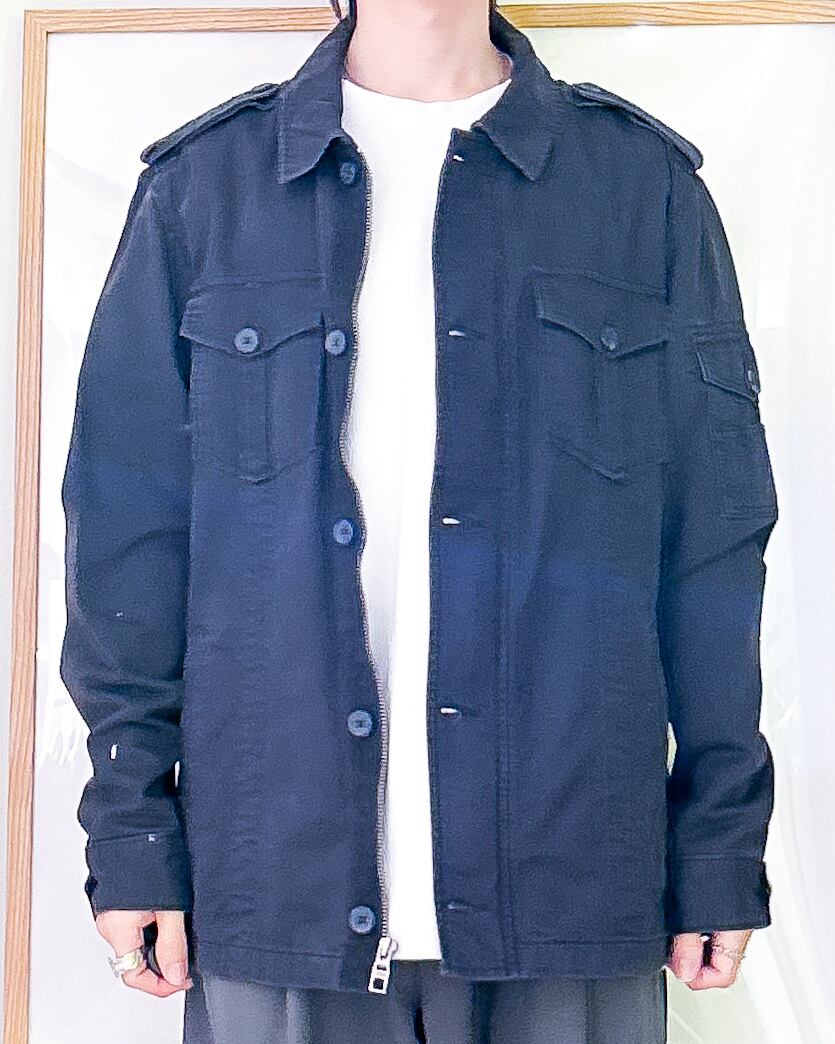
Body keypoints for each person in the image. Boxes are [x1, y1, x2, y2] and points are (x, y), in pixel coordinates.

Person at [59, 0, 779, 1041]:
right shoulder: (203, 189)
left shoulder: (642, 189)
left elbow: (713, 547)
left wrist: (717, 843)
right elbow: (125, 542)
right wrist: (131, 835)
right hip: (276, 885)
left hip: (572, 881)